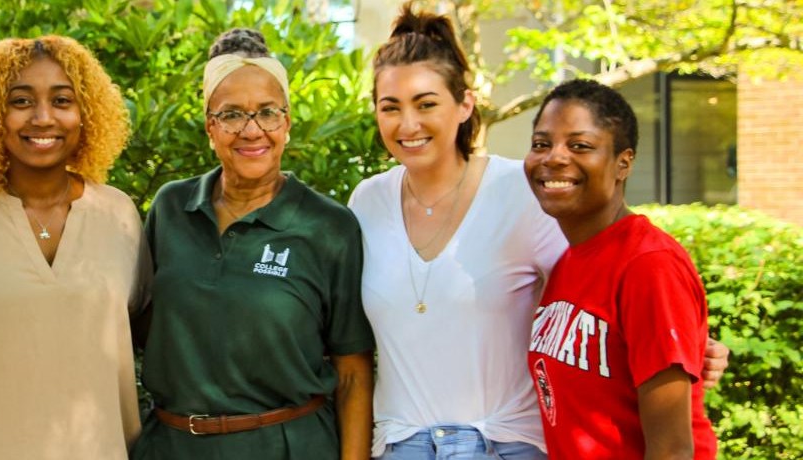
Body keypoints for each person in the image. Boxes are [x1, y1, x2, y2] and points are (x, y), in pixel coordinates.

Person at [347, 4, 728, 459]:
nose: (408, 124)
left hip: (504, 443)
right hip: (400, 443)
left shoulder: (524, 191)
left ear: (465, 104)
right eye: (391, 107)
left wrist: (693, 344)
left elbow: (619, 278)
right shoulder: (366, 202)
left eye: (426, 103)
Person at [131, 28, 376, 460]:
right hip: (171, 446)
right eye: (231, 115)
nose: (251, 130)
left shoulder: (329, 226)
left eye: (267, 112)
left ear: (287, 123)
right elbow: (138, 324)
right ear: (209, 127)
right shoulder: (171, 207)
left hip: (287, 445)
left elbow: (353, 373)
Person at [0, 36, 144, 459]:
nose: (43, 118)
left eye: (62, 101)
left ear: (86, 114)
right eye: (20, 101)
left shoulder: (119, 216)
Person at [524, 79, 717, 458]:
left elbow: (673, 449)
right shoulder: (569, 260)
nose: (554, 157)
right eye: (541, 144)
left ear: (623, 163)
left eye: (580, 145)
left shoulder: (649, 264)